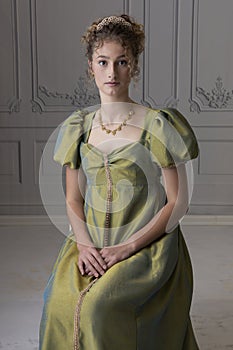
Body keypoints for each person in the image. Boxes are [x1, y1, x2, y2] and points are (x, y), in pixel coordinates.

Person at [39, 14, 200, 350]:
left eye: (122, 62)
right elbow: (72, 199)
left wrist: (127, 248)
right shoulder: (78, 127)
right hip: (91, 238)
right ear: (91, 67)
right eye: (103, 62)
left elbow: (178, 201)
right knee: (57, 301)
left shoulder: (158, 124)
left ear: (134, 66)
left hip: (147, 244)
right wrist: (84, 245)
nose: (112, 73)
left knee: (100, 308)